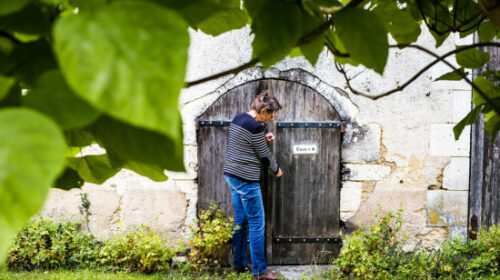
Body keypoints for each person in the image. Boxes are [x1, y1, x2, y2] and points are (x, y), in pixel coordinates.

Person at [223, 89, 283, 280]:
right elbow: (264, 155)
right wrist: (277, 170)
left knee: (240, 220)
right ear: (263, 110)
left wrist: (262, 139)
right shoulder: (256, 127)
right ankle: (260, 271)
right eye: (270, 115)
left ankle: (239, 264)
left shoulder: (239, 118)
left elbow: (245, 143)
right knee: (257, 223)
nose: (270, 119)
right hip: (246, 180)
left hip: (231, 175)